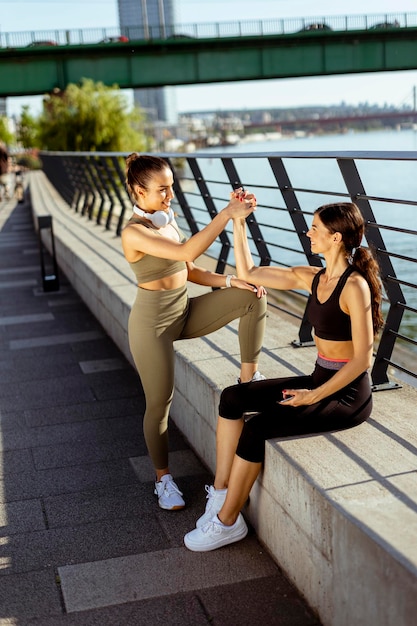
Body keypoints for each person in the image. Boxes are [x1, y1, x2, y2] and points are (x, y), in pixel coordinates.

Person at [184, 199, 384, 551]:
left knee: (258, 426)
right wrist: (239, 222)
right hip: (319, 379)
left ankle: (227, 522)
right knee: (233, 397)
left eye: (316, 229)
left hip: (348, 395)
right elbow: (247, 273)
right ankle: (220, 492)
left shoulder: (355, 287)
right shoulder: (313, 276)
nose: (308, 233)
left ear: (336, 238)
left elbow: (362, 360)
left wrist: (313, 396)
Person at [121, 155, 267, 511]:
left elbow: (190, 269)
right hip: (152, 326)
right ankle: (163, 480)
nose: (171, 195)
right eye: (163, 189)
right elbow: (188, 250)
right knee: (159, 403)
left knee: (253, 296)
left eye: (172, 186)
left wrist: (232, 280)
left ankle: (249, 382)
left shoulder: (167, 223)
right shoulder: (134, 232)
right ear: (139, 191)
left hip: (183, 312)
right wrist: (226, 214)